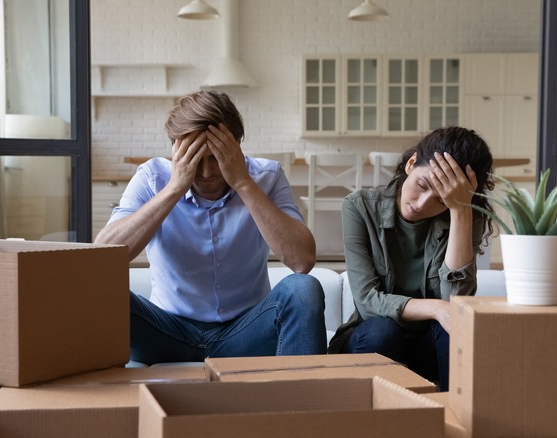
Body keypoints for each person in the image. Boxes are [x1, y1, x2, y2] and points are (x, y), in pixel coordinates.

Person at [95, 90, 326, 364]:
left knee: (303, 289)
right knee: (98, 292)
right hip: (166, 332)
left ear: (236, 146)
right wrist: (174, 188)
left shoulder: (267, 176)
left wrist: (243, 183)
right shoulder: (152, 178)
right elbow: (103, 255)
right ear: (176, 150)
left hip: (244, 333)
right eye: (195, 159)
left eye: (216, 157)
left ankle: (301, 404)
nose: (206, 173)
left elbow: (303, 261)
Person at [327, 127, 494, 391]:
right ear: (411, 163)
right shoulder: (359, 207)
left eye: (441, 200)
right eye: (422, 186)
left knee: (454, 330)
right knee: (384, 330)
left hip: (428, 348)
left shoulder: (461, 217)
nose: (422, 204)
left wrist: (460, 211)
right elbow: (368, 301)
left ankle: (456, 423)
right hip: (373, 342)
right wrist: (436, 309)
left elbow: (456, 301)